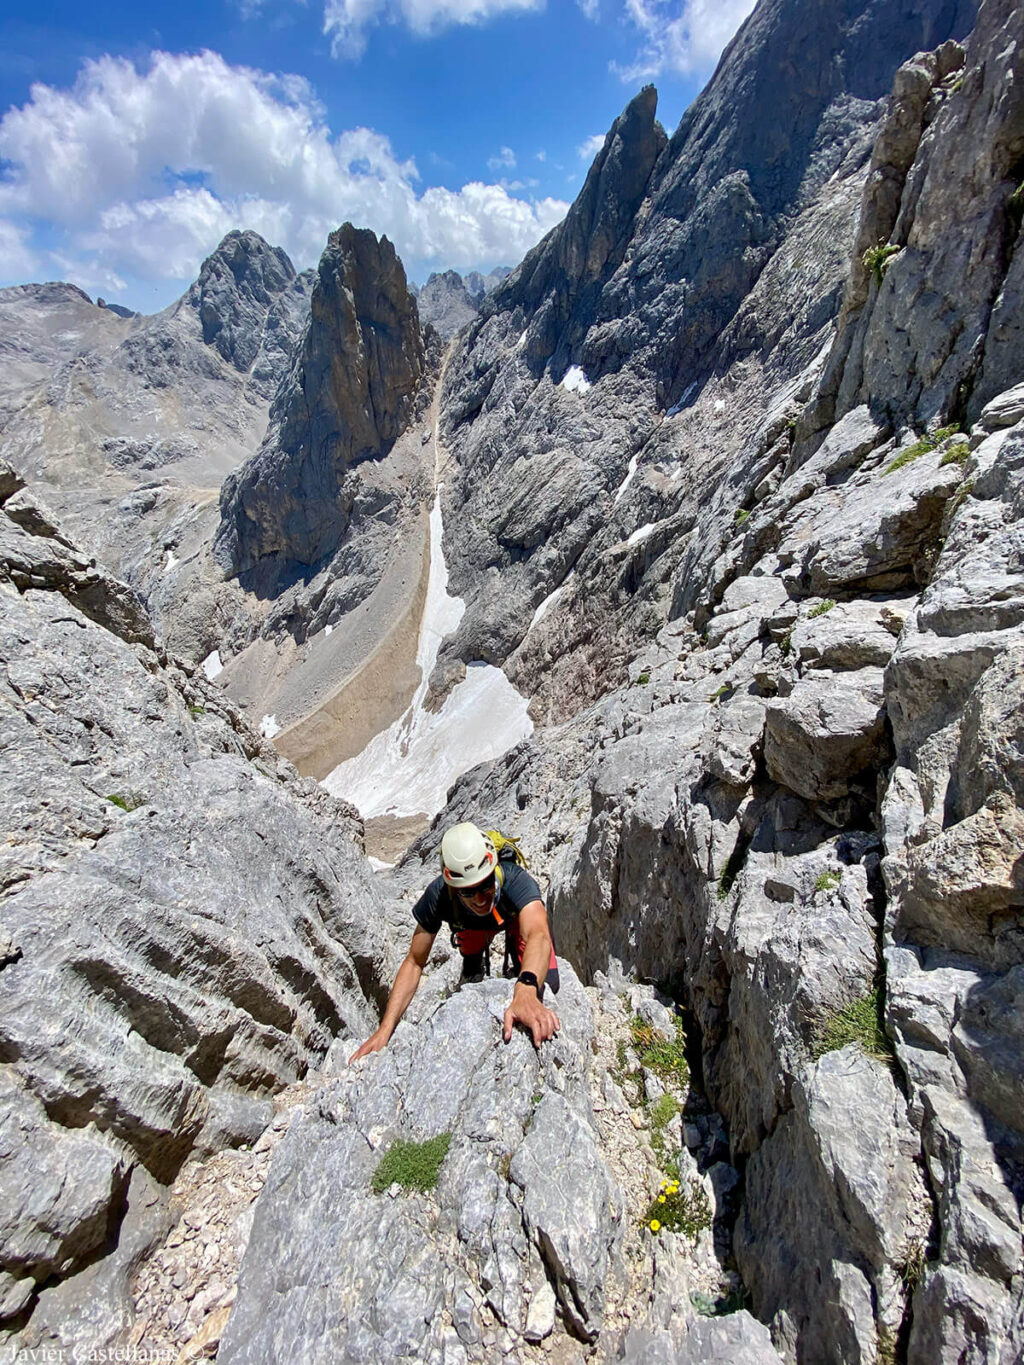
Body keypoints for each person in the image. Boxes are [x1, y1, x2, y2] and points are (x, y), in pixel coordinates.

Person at [349, 822, 560, 1062]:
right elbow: (415, 962)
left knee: (549, 984)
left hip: (513, 921)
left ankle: (512, 973)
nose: (480, 898)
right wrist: (385, 1030)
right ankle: (472, 968)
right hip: (471, 927)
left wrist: (527, 988)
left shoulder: (515, 879)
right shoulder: (439, 895)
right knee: (471, 946)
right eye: (468, 891)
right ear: (452, 886)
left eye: (485, 884)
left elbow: (538, 935)